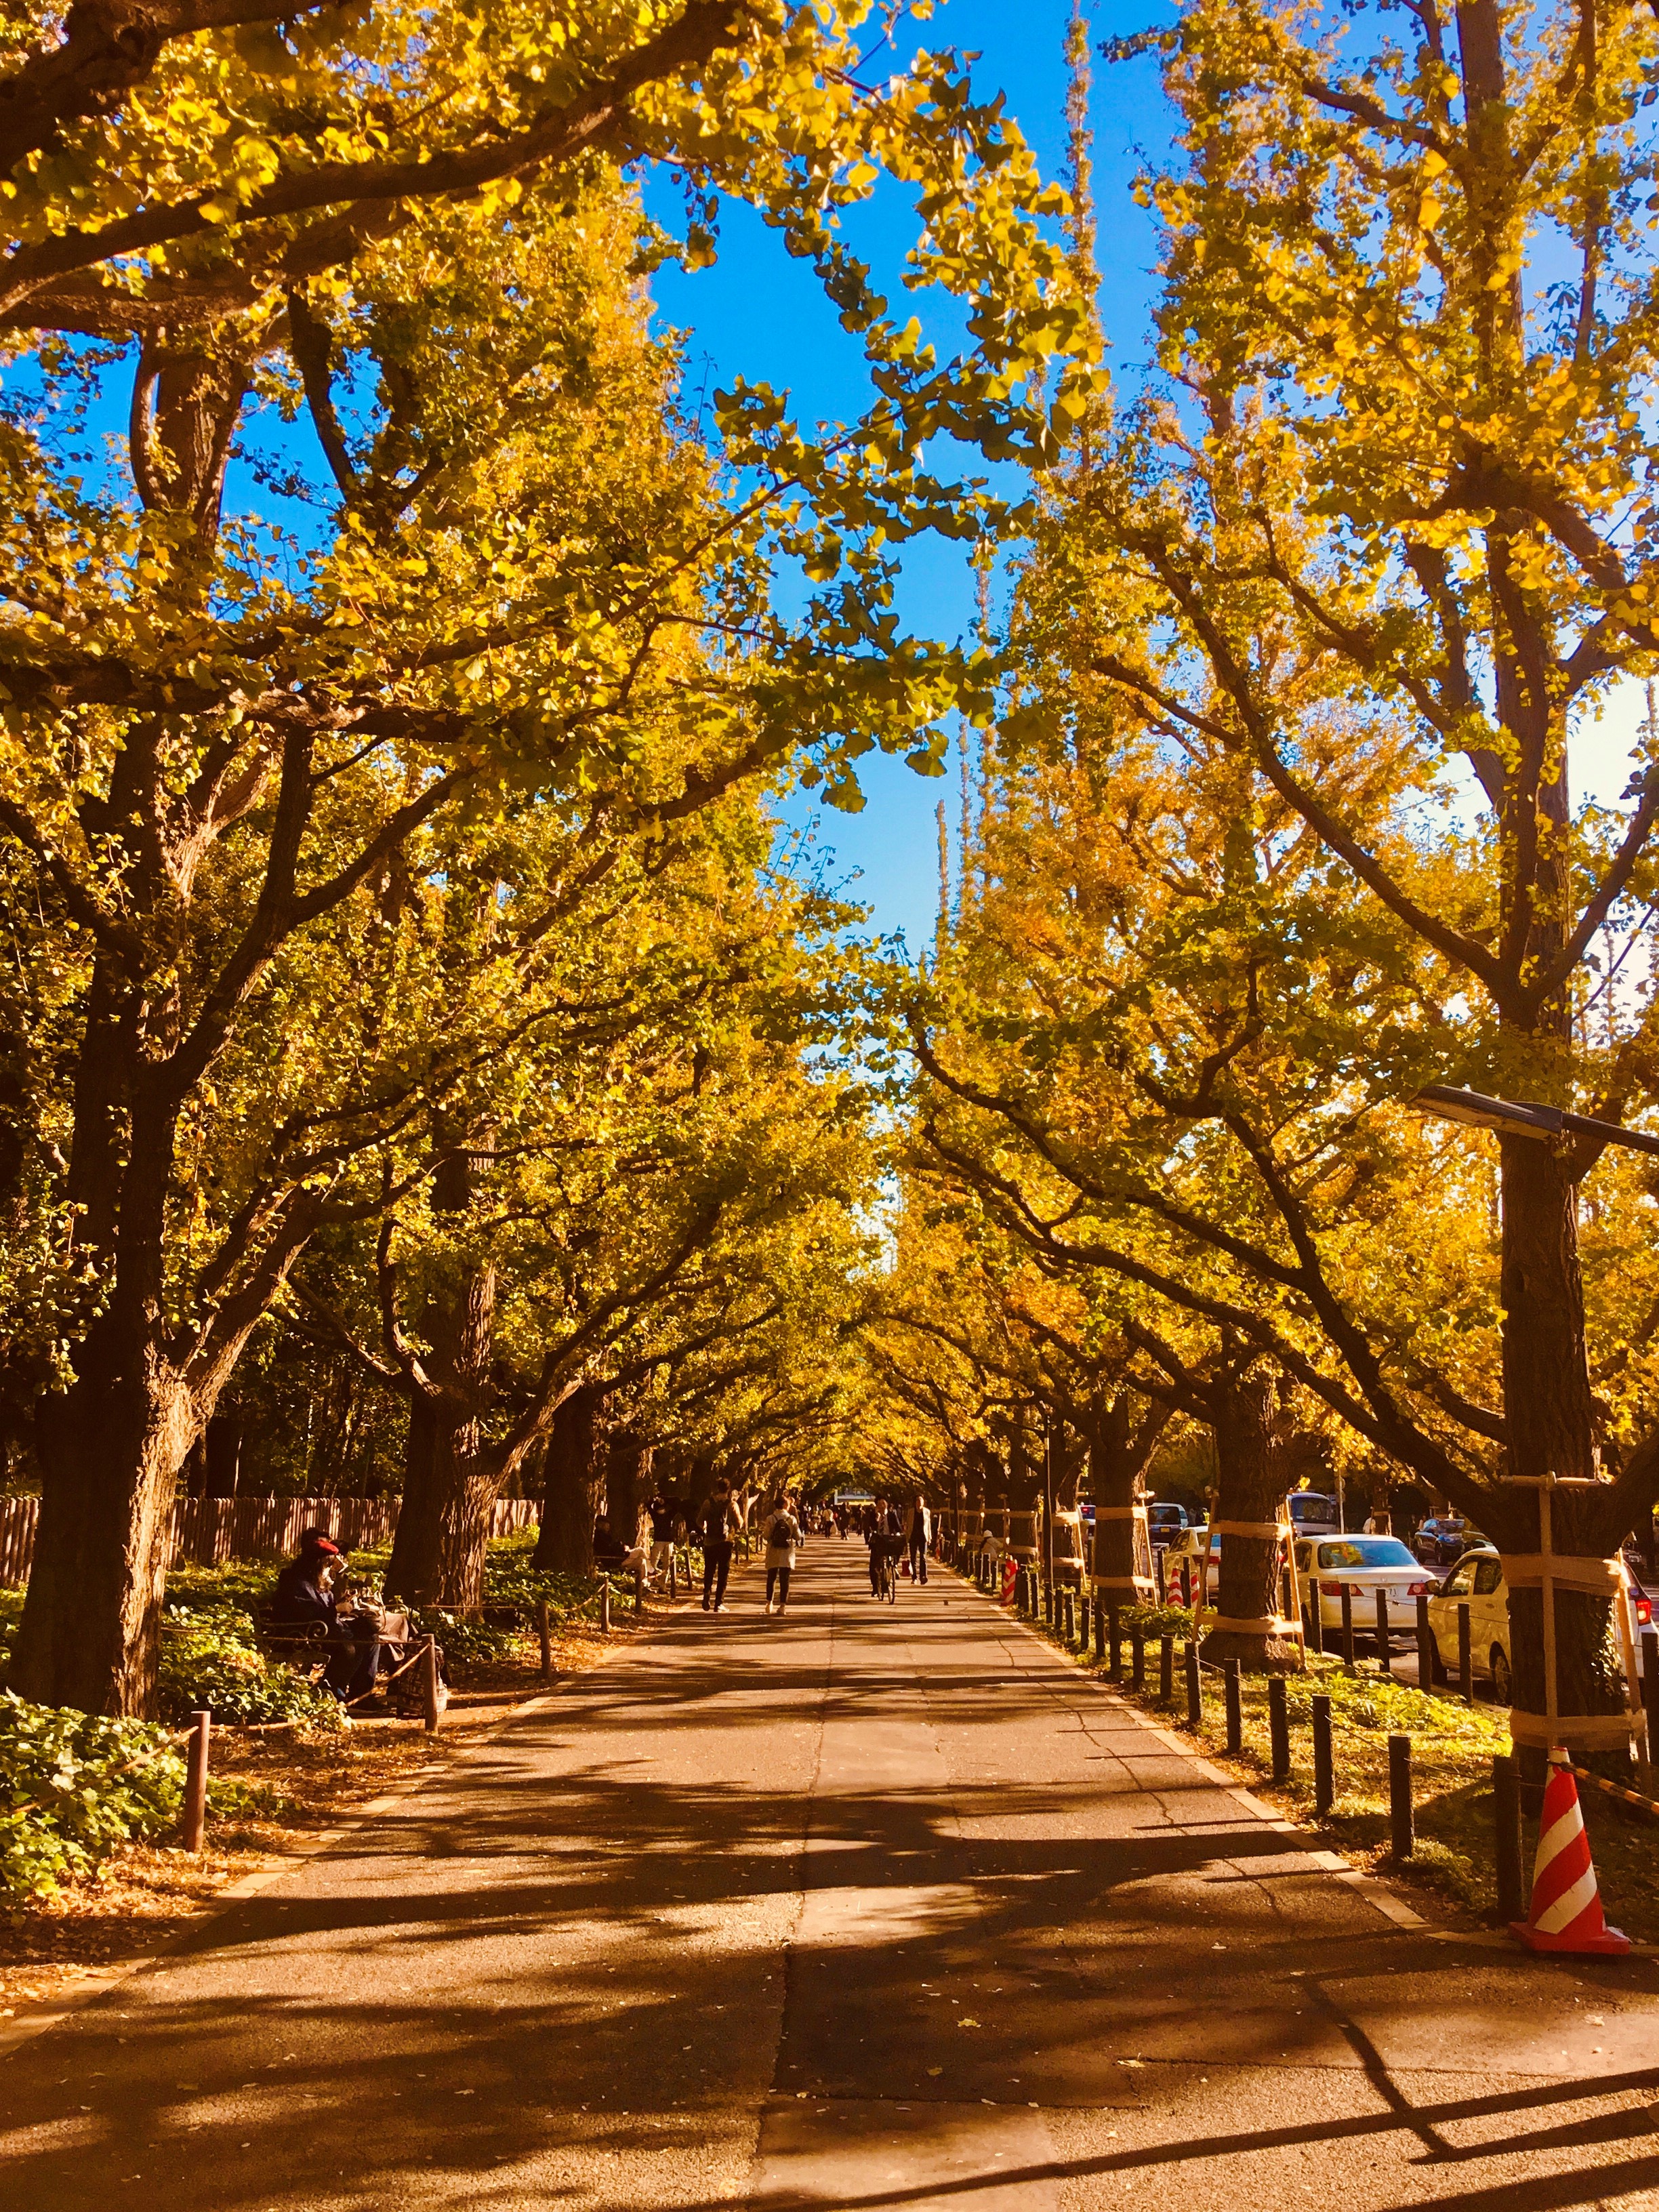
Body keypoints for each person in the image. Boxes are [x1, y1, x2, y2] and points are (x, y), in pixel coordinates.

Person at [273, 1530, 380, 1704]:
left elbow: (325, 1607)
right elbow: (306, 1613)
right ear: (317, 1564)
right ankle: (331, 1688)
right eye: (327, 1566)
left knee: (371, 1636)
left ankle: (362, 1694)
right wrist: (337, 1609)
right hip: (302, 1633)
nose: (329, 1571)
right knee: (349, 1648)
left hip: (324, 1629)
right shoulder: (296, 1582)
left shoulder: (318, 1582)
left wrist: (344, 1609)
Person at [701, 1479, 736, 1613]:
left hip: (709, 1542)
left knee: (709, 1571)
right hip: (726, 1542)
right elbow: (740, 1522)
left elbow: (700, 1521)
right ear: (728, 1489)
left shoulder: (707, 1503)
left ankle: (706, 1594)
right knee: (723, 1573)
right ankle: (719, 1603)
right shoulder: (732, 1504)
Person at [763, 1496, 801, 1615]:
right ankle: (782, 1606)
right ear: (785, 1505)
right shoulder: (792, 1519)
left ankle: (769, 1603)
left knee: (771, 1578)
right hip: (787, 1552)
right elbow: (798, 1536)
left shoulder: (771, 1518)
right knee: (785, 1580)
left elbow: (766, 1536)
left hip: (773, 1550)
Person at [647, 1492, 678, 1586]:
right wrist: (656, 1499)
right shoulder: (655, 1515)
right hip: (658, 1541)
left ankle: (662, 1586)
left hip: (669, 1542)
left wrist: (665, 1498)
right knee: (653, 1563)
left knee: (667, 1564)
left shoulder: (670, 1514)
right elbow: (648, 1505)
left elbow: (677, 1502)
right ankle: (650, 1583)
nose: (660, 1510)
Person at [907, 1494, 931, 1586]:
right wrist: (907, 1538)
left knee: (923, 1558)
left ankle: (923, 1576)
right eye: (917, 1500)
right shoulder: (911, 1512)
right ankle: (914, 1577)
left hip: (923, 1537)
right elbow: (908, 1525)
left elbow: (928, 1526)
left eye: (921, 1500)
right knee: (913, 1558)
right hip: (913, 1536)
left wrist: (929, 1537)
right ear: (915, 1502)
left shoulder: (927, 1512)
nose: (919, 1502)